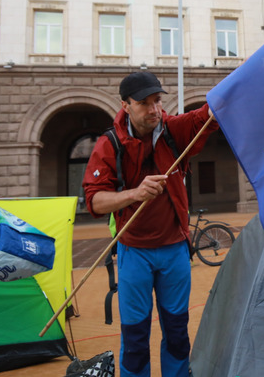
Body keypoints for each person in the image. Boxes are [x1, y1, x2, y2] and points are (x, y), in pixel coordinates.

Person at [82, 72, 217, 377]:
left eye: (157, 100)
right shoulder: (110, 143)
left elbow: (211, 113)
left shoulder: (172, 130)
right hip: (134, 253)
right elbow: (95, 201)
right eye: (144, 103)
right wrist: (135, 193)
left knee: (177, 331)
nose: (154, 109)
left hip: (175, 251)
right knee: (135, 337)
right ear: (125, 105)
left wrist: (242, 74)